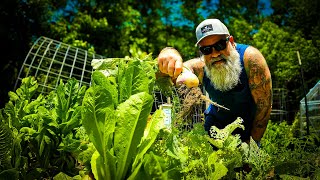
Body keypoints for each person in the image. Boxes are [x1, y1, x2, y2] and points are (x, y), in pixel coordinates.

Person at [157, 19, 272, 144]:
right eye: (207, 50)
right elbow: (172, 71)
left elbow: (264, 107)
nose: (215, 54)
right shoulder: (201, 68)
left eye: (220, 45)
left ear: (231, 42)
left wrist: (252, 144)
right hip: (214, 130)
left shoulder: (251, 60)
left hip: (247, 131)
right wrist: (169, 53)